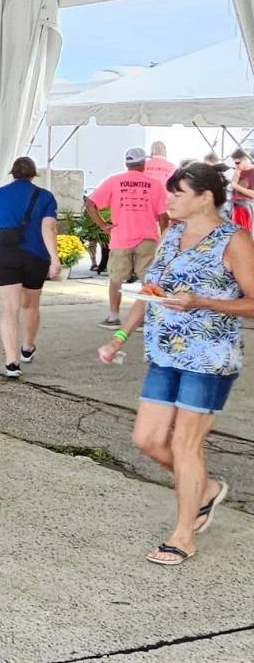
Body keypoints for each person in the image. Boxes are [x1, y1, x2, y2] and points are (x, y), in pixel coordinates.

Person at [98, 162, 252, 565]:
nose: (168, 200)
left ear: (205, 198)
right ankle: (203, 489)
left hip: (210, 358)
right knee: (147, 439)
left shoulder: (234, 240)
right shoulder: (171, 233)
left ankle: (184, 535)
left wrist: (201, 301)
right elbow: (151, 292)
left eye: (177, 194)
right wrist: (119, 336)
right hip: (165, 352)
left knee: (186, 445)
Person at [0, 157, 60, 378]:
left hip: (6, 254)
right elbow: (49, 229)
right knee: (31, 305)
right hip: (35, 256)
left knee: (10, 308)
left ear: (13, 173)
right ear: (33, 174)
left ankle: (11, 362)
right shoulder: (45, 197)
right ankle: (27, 347)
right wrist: (55, 259)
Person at [86, 147, 169, 328]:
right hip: (148, 236)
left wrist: (103, 225)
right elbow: (164, 217)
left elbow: (90, 204)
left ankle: (113, 317)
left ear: (127, 163)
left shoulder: (115, 181)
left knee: (116, 278)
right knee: (148, 279)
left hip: (121, 236)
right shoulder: (155, 185)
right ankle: (142, 319)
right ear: (144, 164)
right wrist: (165, 239)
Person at [227, 149, 254, 231]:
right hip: (235, 206)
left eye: (238, 163)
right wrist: (236, 176)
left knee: (243, 234)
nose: (236, 165)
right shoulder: (238, 170)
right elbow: (232, 186)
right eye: (234, 163)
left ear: (246, 159)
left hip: (246, 207)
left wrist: (236, 186)